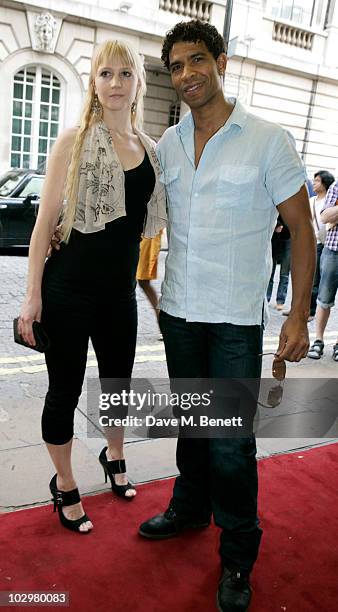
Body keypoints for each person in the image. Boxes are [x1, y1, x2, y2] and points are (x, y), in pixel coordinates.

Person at [138, 20, 316, 612]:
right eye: (176, 68)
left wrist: (298, 315)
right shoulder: (166, 145)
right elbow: (146, 220)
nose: (186, 76)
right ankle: (189, 509)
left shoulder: (268, 138)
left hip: (237, 321)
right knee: (190, 427)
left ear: (220, 62)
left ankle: (238, 556)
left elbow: (302, 229)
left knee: (229, 445)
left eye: (196, 62)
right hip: (181, 313)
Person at [18, 39, 166, 534]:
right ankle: (63, 483)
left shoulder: (150, 150)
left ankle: (114, 453)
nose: (117, 83)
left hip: (118, 295)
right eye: (106, 74)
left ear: (138, 83)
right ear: (94, 83)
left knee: (119, 387)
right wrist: (32, 295)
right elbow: (44, 225)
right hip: (67, 292)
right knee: (63, 392)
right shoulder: (73, 143)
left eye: (126, 74)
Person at [284, 170, 335, 320]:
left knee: (314, 281)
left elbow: (328, 220)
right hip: (305, 243)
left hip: (321, 244)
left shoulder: (328, 201)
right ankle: (296, 308)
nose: (314, 183)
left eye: (317, 181)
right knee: (298, 276)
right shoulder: (311, 200)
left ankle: (310, 311)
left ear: (325, 183)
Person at [308, 178, 338, 361]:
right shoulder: (337, 185)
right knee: (324, 299)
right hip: (333, 251)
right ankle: (318, 340)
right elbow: (325, 216)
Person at [137, 231, 163, 322]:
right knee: (143, 282)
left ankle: (161, 321)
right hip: (143, 232)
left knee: (143, 281)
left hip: (148, 232)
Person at [266, 215, 291, 310]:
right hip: (275, 237)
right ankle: (266, 298)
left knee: (285, 272)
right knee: (270, 271)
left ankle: (280, 300)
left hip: (289, 238)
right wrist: (278, 224)